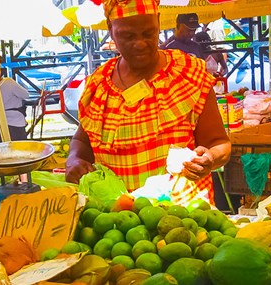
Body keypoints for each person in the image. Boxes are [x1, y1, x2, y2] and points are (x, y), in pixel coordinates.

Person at [65, 0, 231, 200]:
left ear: (159, 23)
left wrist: (210, 158)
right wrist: (74, 160)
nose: (140, 43)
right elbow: (82, 141)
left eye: (148, 33)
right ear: (110, 29)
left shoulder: (187, 74)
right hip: (118, 221)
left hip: (182, 219)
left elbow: (219, 143)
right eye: (128, 35)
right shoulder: (99, 85)